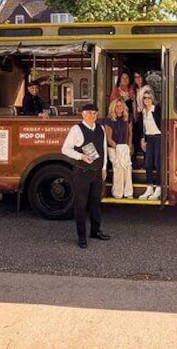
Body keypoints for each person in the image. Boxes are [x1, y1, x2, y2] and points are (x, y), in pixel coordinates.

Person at [61, 103, 110, 249]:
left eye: (94, 113)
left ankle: (95, 231)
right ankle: (81, 237)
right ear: (83, 114)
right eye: (89, 113)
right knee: (81, 205)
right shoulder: (76, 129)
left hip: (96, 172)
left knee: (96, 203)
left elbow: (104, 149)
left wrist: (104, 167)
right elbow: (65, 149)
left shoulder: (100, 128)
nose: (92, 115)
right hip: (82, 172)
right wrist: (81, 156)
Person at [104, 98, 134, 199]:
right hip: (114, 148)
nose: (119, 108)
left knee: (127, 168)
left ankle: (128, 192)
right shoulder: (109, 119)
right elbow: (108, 138)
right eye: (117, 106)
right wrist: (118, 148)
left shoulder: (127, 118)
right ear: (113, 107)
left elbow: (130, 133)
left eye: (121, 106)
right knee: (118, 169)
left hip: (125, 147)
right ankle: (117, 192)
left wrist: (129, 145)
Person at [139, 91, 162, 200]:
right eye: (144, 98)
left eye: (148, 98)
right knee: (147, 164)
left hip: (158, 137)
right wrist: (143, 139)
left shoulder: (157, 109)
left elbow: (162, 124)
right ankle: (149, 187)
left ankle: (158, 187)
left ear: (152, 99)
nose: (146, 100)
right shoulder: (143, 112)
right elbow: (142, 128)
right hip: (149, 138)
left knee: (158, 164)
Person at [132, 72, 152, 167]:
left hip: (146, 115)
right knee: (138, 137)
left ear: (143, 78)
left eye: (139, 76)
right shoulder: (136, 90)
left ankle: (147, 162)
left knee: (145, 138)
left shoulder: (146, 88)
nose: (138, 79)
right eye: (136, 77)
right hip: (139, 115)